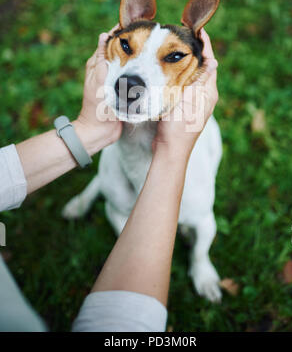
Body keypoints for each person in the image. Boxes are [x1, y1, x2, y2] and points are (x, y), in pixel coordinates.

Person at [0, 26, 218, 332]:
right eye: (127, 48)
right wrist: (94, 128)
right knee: (115, 200)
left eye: (172, 56)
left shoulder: (197, 188)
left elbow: (204, 221)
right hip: (120, 169)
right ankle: (94, 191)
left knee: (198, 218)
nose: (132, 80)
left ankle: (198, 262)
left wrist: (91, 129)